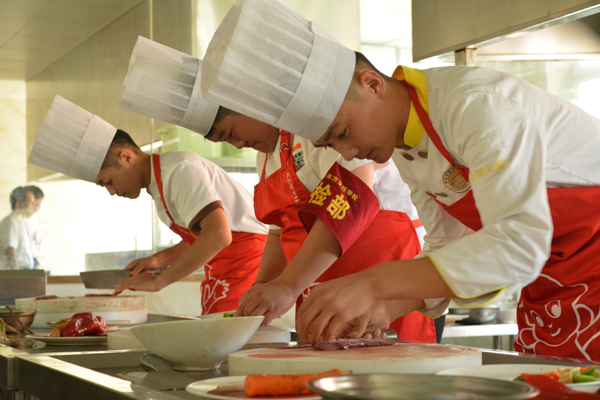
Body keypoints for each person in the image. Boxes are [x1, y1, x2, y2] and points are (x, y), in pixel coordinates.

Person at [201, 0, 600, 360]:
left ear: (372, 84)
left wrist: (375, 283)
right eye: (330, 144)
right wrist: (387, 308)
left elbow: (520, 243)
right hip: (556, 286)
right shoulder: (409, 148)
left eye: (341, 133)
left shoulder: (477, 107)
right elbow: (447, 243)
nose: (347, 154)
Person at [119, 36, 436, 342]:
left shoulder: (316, 129)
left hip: (382, 280)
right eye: (225, 141)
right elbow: (277, 233)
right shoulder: (266, 158)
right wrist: (263, 289)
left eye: (231, 132)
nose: (238, 144)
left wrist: (288, 285)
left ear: (255, 106)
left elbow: (350, 196)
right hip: (320, 287)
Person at [29, 95, 268, 315]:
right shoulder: (160, 183)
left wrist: (159, 281)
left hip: (246, 262)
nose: (112, 192)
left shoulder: (178, 170)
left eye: (108, 182)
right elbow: (200, 236)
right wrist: (157, 261)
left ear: (126, 157)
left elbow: (218, 235)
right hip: (227, 268)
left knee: (230, 342)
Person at [0, 186, 44, 270]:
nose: (34, 205)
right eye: (31, 202)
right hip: (17, 271)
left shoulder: (21, 221)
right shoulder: (11, 221)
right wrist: (17, 277)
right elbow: (9, 252)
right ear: (19, 203)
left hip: (25, 271)